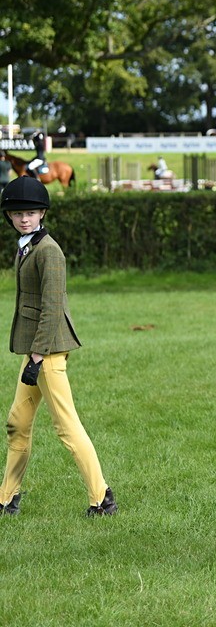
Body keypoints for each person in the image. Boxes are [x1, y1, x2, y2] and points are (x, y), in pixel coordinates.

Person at [0, 177, 117, 517]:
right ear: (9, 216)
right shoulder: (26, 246)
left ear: (42, 214)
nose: (25, 218)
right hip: (35, 351)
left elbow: (52, 307)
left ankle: (102, 498)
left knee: (66, 426)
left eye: (32, 212)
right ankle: (7, 498)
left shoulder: (49, 251)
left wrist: (36, 356)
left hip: (46, 353)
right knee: (18, 423)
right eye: (18, 213)